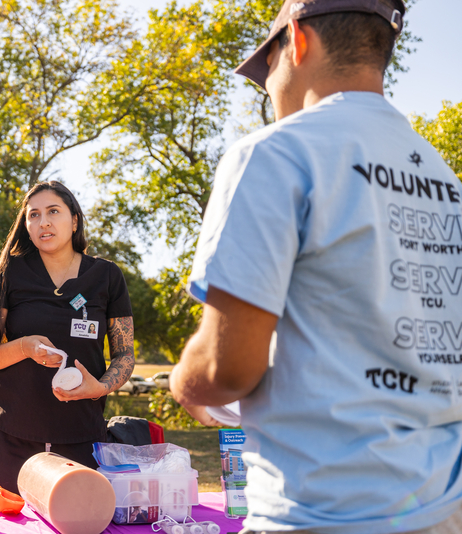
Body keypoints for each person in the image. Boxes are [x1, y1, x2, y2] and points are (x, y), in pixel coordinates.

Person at [169, 1, 462, 533]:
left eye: (268, 67)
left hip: (320, 512)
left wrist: (185, 383)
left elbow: (226, 368)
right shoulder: (447, 182)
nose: (268, 88)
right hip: (444, 507)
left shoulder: (275, 154)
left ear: (298, 41)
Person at [0, 181, 134, 493]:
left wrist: (98, 388)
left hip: (82, 440)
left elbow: (124, 355)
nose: (43, 221)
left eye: (53, 211)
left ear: (74, 221)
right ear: (26, 225)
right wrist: (25, 346)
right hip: (13, 440)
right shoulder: (7, 272)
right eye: (33, 215)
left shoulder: (106, 276)